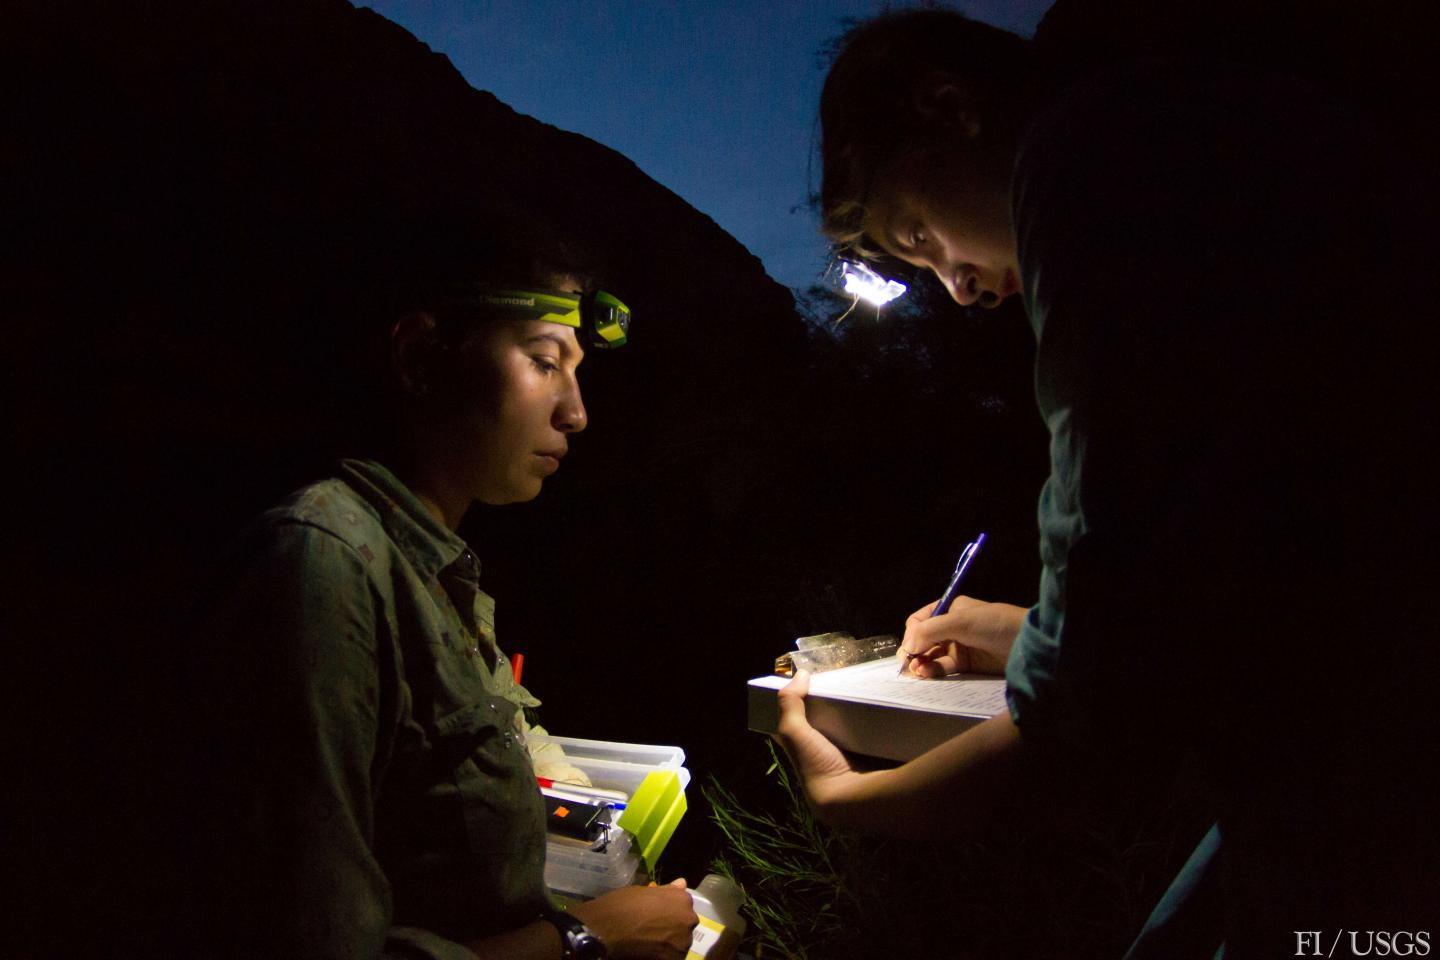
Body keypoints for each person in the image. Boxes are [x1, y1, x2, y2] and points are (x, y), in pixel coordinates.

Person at [775, 7, 1437, 957]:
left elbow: (1102, 714)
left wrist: (852, 798)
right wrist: (1016, 630)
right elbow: (1212, 563)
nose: (956, 287)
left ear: (950, 107)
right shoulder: (1209, 122)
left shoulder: (1094, 156)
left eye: (919, 232)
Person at [182, 222, 697, 960]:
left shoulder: (430, 566)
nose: (576, 412)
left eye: (577, 372)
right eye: (545, 362)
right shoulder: (321, 565)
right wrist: (589, 938)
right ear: (421, 356)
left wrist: (568, 794)